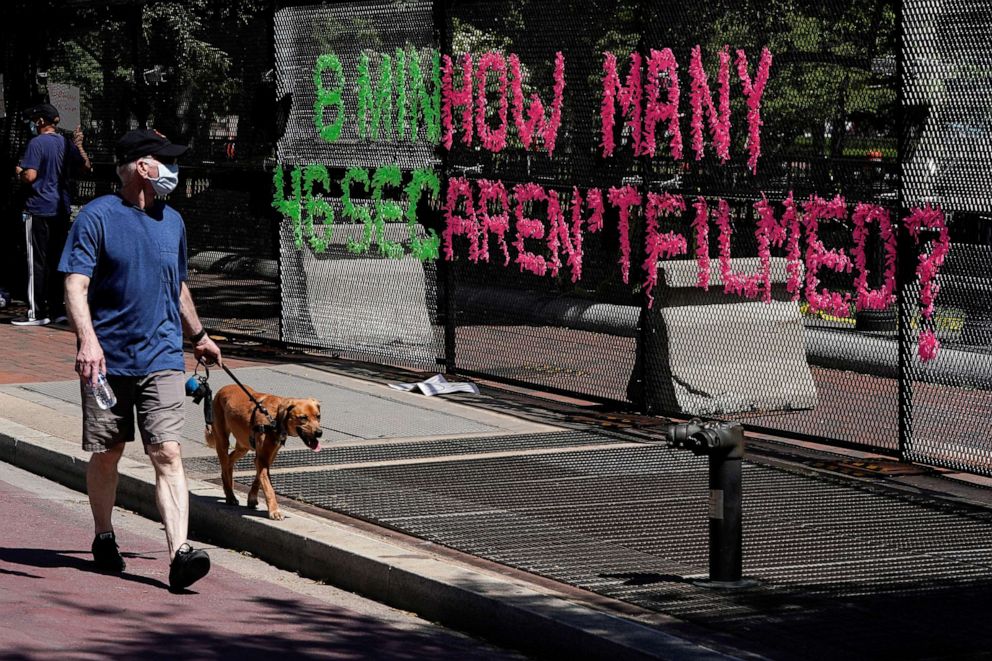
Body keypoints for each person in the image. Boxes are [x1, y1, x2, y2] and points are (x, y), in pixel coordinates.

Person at [59, 128, 222, 593]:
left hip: (163, 356)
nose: (174, 169)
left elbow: (178, 285)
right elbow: (76, 285)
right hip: (107, 362)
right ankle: (103, 534)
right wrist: (87, 341)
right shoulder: (97, 217)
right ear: (144, 168)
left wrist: (200, 335)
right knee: (108, 452)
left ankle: (180, 554)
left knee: (167, 451)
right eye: (165, 160)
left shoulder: (174, 222)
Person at [13, 102, 91, 326]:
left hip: (37, 208)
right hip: (60, 208)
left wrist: (19, 172)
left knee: (35, 261)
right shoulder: (65, 143)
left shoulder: (36, 143)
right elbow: (86, 166)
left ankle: (36, 312)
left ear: (40, 122)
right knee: (57, 259)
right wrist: (79, 145)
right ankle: (58, 309)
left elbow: (30, 176)